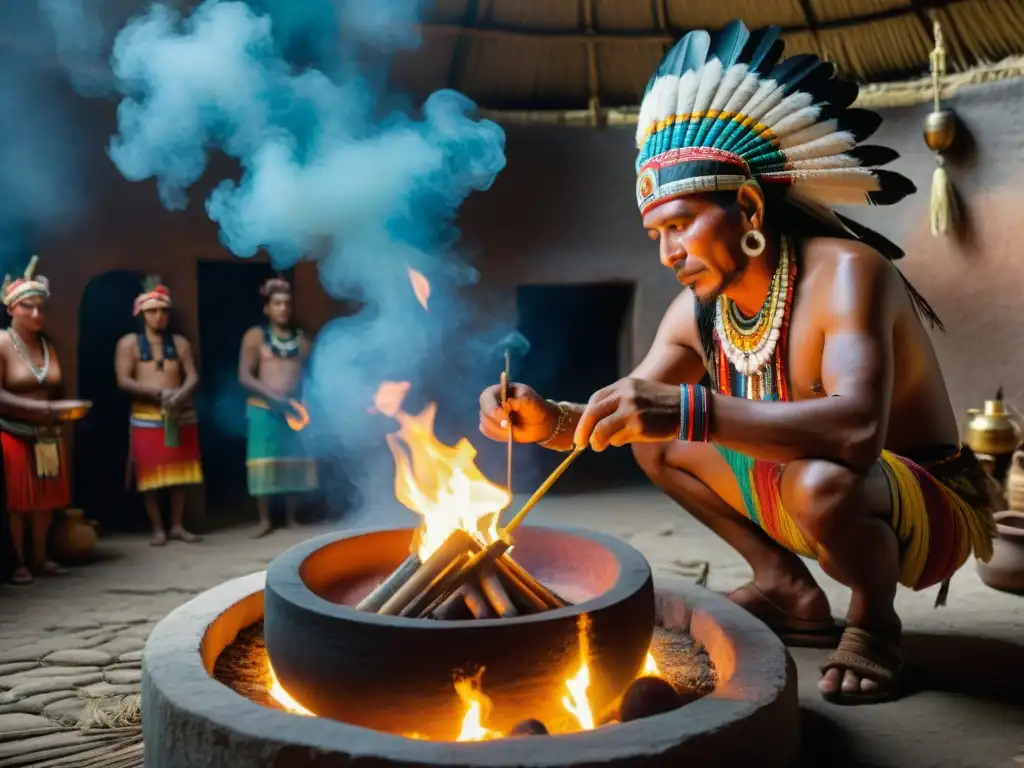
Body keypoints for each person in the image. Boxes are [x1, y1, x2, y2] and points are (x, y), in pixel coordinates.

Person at [479, 20, 997, 705]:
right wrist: (551, 419)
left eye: (682, 223)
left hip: (923, 506)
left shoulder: (848, 274)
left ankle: (875, 621)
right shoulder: (697, 311)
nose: (667, 252)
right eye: (656, 233)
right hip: (810, 484)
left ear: (747, 204)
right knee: (656, 447)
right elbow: (633, 403)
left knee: (817, 481)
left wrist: (686, 410)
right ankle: (787, 589)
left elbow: (854, 435)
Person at [0, 256, 90, 584]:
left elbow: (55, 389)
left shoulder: (47, 345)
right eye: (28, 307)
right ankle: (19, 561)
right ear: (11, 309)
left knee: (45, 503)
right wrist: (43, 411)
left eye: (41, 307)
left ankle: (41, 557)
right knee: (19, 503)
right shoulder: (1, 343)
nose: (36, 314)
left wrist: (61, 411)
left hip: (48, 435)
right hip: (13, 432)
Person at [115, 277, 203, 546]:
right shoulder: (128, 343)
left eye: (163, 311)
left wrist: (181, 393)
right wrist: (157, 393)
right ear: (141, 313)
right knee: (150, 477)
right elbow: (123, 380)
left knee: (179, 476)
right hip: (147, 417)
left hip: (180, 415)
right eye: (153, 311)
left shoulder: (180, 343)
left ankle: (177, 525)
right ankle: (157, 528)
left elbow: (193, 376)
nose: (159, 316)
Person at [238, 276, 316, 538]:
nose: (283, 308)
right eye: (277, 303)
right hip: (263, 408)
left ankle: (292, 518)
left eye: (287, 303)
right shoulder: (255, 336)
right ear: (267, 308)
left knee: (292, 460)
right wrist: (272, 396)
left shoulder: (302, 340)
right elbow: (245, 376)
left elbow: (309, 375)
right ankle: (264, 520)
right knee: (264, 463)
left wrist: (300, 403)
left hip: (293, 410)